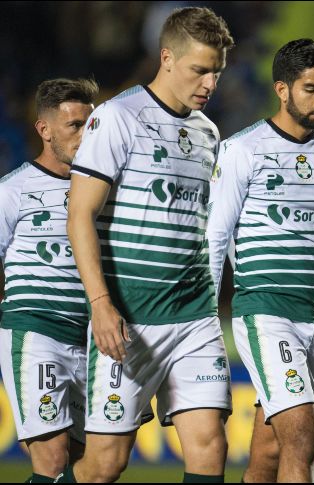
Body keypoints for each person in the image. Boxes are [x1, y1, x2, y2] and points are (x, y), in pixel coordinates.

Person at [61, 7, 234, 483]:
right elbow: (79, 215)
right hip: (129, 319)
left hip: (195, 316)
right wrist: (100, 304)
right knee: (105, 465)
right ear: (167, 58)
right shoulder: (118, 118)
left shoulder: (208, 132)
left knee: (210, 447)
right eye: (200, 70)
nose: (210, 84)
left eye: (217, 72)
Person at [206, 39, 314, 483]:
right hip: (266, 312)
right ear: (282, 90)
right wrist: (205, 317)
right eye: (311, 89)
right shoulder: (243, 149)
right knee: (304, 435)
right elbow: (216, 236)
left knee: (269, 451)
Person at [0, 78, 97, 483]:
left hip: (90, 339)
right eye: (74, 125)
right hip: (35, 330)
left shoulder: (100, 191)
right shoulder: (14, 190)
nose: (85, 135)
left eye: (90, 125)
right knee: (53, 459)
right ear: (45, 130)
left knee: (87, 464)